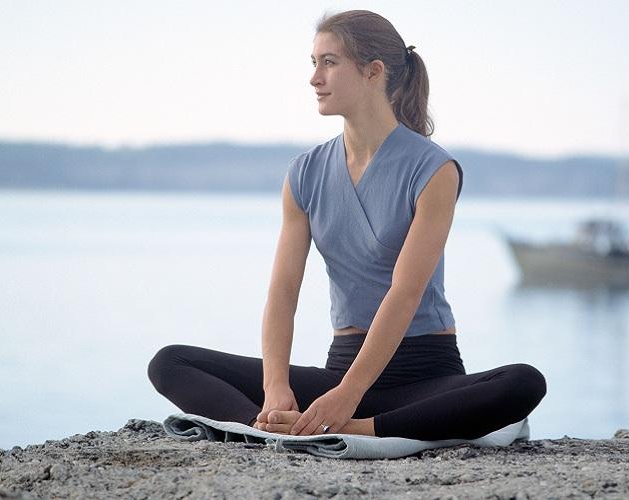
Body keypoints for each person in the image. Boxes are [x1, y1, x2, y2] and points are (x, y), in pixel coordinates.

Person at [148, 9, 546, 441]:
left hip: (423, 379)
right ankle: (274, 429)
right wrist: (275, 388)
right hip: (339, 371)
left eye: (329, 62)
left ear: (373, 72)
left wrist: (348, 399)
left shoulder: (433, 169)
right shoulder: (304, 173)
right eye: (313, 62)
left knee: (523, 382)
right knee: (170, 363)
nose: (315, 78)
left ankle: (350, 429)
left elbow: (406, 291)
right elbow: (283, 291)